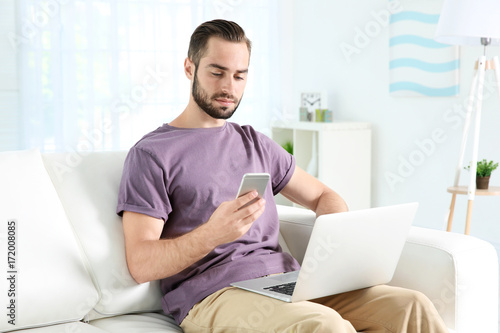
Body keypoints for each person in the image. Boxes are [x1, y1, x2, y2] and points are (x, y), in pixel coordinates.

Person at [116, 19, 448, 333]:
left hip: (286, 282)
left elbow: (323, 196)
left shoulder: (255, 143)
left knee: (411, 306)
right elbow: (141, 263)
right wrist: (212, 234)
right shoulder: (152, 154)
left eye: (239, 75)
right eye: (217, 72)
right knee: (323, 325)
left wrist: (334, 247)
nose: (228, 87)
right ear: (190, 67)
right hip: (213, 295)